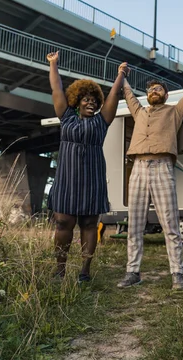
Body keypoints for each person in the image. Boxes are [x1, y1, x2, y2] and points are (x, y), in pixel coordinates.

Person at [116, 67, 183, 290]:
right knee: (134, 225)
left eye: (159, 89)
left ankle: (177, 273)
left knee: (170, 224)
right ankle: (133, 272)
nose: (154, 91)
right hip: (138, 167)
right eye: (151, 89)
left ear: (165, 94)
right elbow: (128, 94)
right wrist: (122, 76)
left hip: (162, 166)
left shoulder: (174, 112)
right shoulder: (139, 111)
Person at [46, 51, 125, 282]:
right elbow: (56, 89)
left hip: (92, 178)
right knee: (63, 222)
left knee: (89, 223)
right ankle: (60, 269)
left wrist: (120, 74)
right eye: (86, 99)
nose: (91, 102)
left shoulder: (102, 121)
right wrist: (53, 65)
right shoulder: (66, 117)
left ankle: (84, 271)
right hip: (67, 179)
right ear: (77, 101)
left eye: (94, 100)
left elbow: (114, 94)